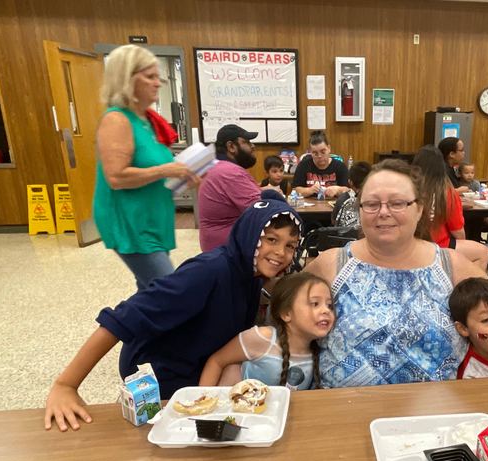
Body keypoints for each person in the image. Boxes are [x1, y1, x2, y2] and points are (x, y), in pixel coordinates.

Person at [44, 196, 302, 431]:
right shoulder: (208, 271)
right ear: (250, 236)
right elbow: (123, 318)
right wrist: (66, 385)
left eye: (290, 246)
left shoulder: (250, 276)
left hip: (197, 363)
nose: (281, 253)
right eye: (271, 240)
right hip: (159, 373)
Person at [305, 158, 488, 388]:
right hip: (343, 411)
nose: (383, 212)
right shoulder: (332, 264)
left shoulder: (450, 265)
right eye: (372, 204)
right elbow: (285, 319)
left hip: (436, 413)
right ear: (360, 209)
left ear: (419, 209)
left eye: (397, 203)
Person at [93, 44, 200, 290]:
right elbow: (116, 177)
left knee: (149, 293)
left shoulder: (146, 121)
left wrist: (182, 175)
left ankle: (135, 329)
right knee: (170, 292)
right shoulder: (117, 120)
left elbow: (153, 169)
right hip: (131, 223)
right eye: (150, 77)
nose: (157, 83)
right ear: (126, 79)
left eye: (157, 77)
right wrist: (167, 171)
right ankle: (117, 328)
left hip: (153, 219)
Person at [199, 272, 334, 390]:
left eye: (329, 305)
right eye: (315, 303)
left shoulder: (320, 352)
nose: (326, 310)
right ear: (286, 313)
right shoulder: (263, 338)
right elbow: (217, 361)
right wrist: (202, 405)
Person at [413, 145, 488, 268]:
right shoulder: (446, 191)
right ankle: (464, 285)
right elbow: (457, 231)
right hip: (439, 245)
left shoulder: (409, 187)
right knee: (483, 252)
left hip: (411, 244)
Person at [198, 124, 262, 252]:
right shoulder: (231, 173)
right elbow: (261, 210)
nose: (252, 146)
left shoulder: (218, 167)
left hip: (215, 248)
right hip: (229, 253)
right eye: (247, 142)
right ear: (231, 146)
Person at [291, 130, 349, 199]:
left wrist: (337, 190)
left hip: (333, 207)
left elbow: (348, 191)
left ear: (329, 148)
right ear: (310, 152)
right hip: (308, 207)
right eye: (315, 153)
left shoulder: (340, 166)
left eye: (323, 152)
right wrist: (310, 190)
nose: (319, 156)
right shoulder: (303, 165)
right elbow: (296, 189)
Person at [332, 161, 371, 228]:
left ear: (350, 182)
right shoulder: (377, 199)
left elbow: (334, 221)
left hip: (346, 237)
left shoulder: (343, 199)